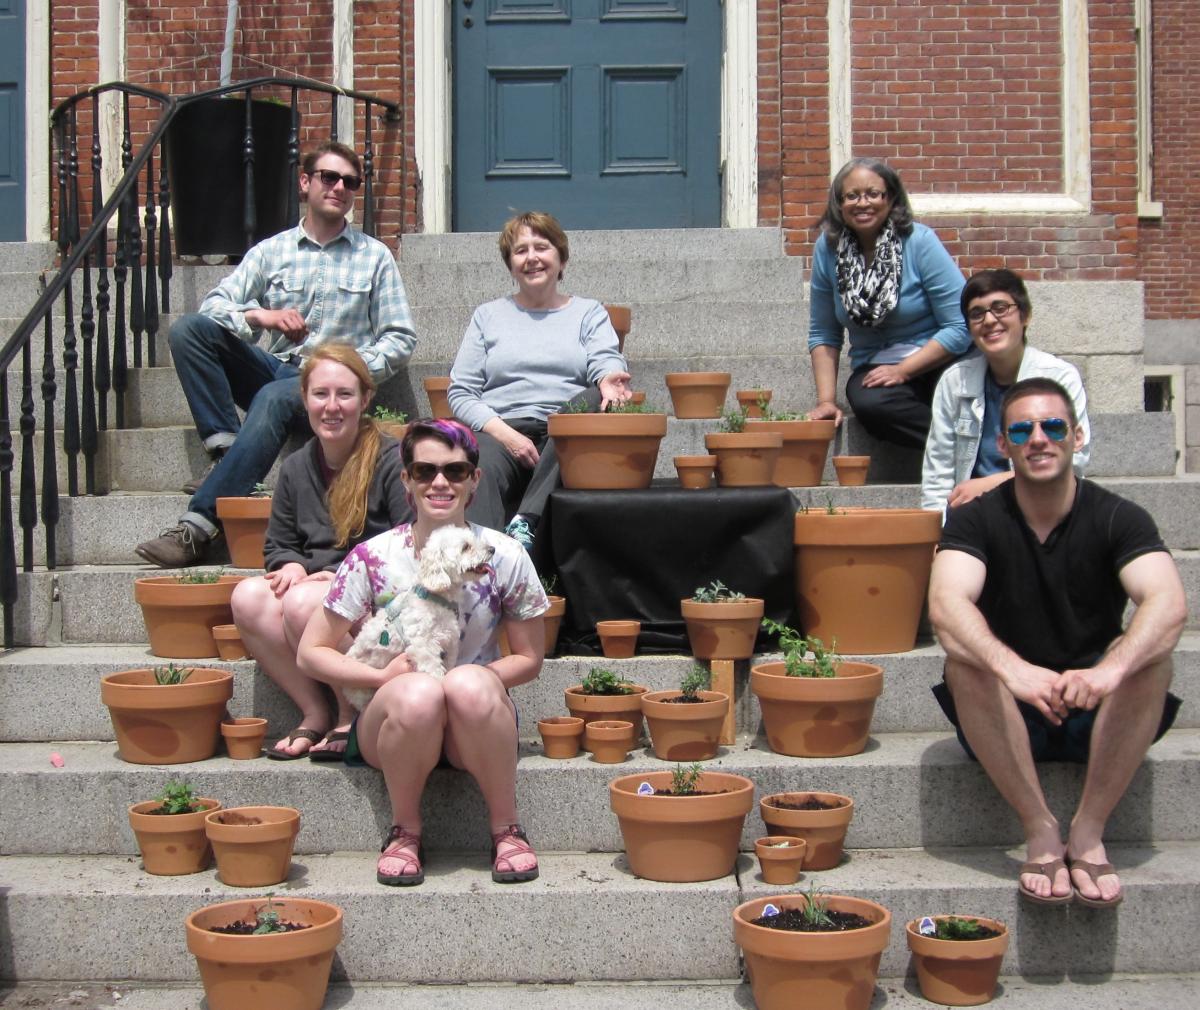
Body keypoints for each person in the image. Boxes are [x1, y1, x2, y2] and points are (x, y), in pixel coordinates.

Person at [927, 377, 1186, 907]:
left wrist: (1106, 674)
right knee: (964, 662)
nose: (1038, 438)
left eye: (1053, 426)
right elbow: (946, 607)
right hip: (1008, 713)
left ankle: (1089, 831)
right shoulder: (977, 520)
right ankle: (1041, 830)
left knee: (1150, 659)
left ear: (1078, 436)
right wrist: (1015, 671)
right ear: (1003, 445)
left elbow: (1168, 604)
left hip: (1099, 711)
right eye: (1021, 428)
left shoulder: (1119, 516)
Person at [135, 141, 417, 568]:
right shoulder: (271, 251)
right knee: (190, 331)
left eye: (350, 182)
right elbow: (215, 305)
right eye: (329, 177)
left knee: (277, 397)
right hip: (276, 369)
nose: (339, 187)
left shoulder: (374, 257)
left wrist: (350, 372)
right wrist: (262, 317)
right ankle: (229, 454)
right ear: (305, 182)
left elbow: (399, 337)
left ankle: (197, 527)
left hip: (331, 392)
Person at [297, 418, 550, 886]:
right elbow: (310, 652)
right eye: (425, 470)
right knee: (417, 693)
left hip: (474, 722)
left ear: (475, 479)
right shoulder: (372, 556)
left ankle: (507, 829)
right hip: (392, 721)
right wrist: (381, 677)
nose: (439, 482)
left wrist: (465, 683)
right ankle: (404, 831)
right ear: (406, 479)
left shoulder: (505, 554)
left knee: (467, 683)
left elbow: (529, 659)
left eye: (455, 471)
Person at [231, 344, 411, 760]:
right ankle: (314, 709)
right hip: (315, 591)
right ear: (305, 399)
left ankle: (349, 715)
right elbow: (279, 543)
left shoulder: (390, 458)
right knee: (249, 597)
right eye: (320, 394)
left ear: (365, 399)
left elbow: (406, 541)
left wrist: (344, 578)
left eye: (344, 394)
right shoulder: (296, 466)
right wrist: (289, 563)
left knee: (305, 602)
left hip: (379, 603)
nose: (332, 407)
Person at [447, 211, 632, 552]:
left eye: (542, 247)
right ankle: (482, 566)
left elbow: (606, 359)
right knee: (479, 464)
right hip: (502, 430)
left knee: (591, 401)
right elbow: (461, 391)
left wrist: (608, 379)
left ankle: (526, 519)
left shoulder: (588, 313)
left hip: (561, 428)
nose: (531, 257)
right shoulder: (488, 316)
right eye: (520, 250)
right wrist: (506, 434)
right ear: (510, 264)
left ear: (561, 258)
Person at [807, 157, 971, 449]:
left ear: (891, 197)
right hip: (876, 365)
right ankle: (958, 449)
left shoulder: (919, 241)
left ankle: (976, 452)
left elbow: (961, 324)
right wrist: (826, 401)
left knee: (962, 390)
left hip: (938, 357)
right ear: (839, 203)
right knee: (869, 403)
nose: (863, 203)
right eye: (852, 196)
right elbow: (824, 333)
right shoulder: (827, 249)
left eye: (873, 193)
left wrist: (904, 370)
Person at [921, 269, 1091, 516]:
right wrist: (937, 535)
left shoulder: (1059, 377)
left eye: (1000, 308)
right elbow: (938, 473)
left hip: (1043, 512)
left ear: (1026, 316)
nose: (989, 320)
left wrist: (991, 485)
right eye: (977, 314)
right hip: (974, 518)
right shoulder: (955, 381)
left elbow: (1074, 461)